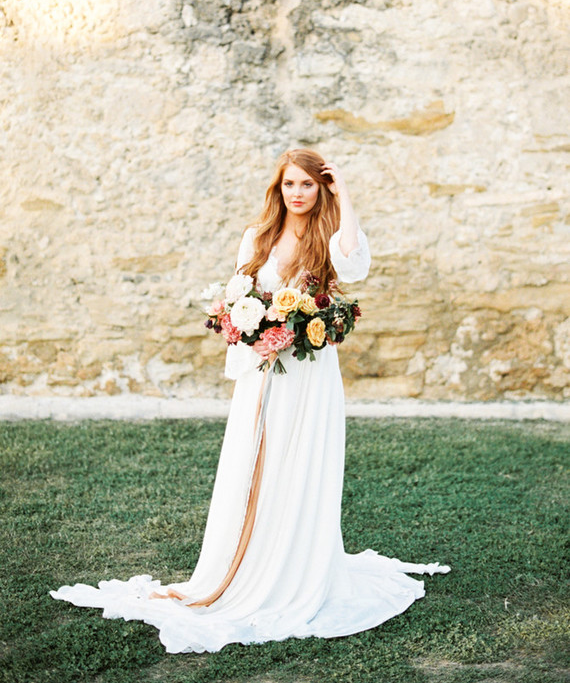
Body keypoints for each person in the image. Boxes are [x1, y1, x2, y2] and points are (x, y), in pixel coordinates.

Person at [51, 148, 449, 654]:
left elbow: (355, 264)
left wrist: (344, 192)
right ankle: (245, 562)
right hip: (262, 371)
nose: (299, 193)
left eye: (308, 184)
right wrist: (248, 328)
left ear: (319, 189)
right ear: (278, 189)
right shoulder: (256, 236)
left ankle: (294, 565)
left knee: (301, 463)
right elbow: (240, 299)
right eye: (290, 185)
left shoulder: (329, 233)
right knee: (255, 464)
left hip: (310, 373)